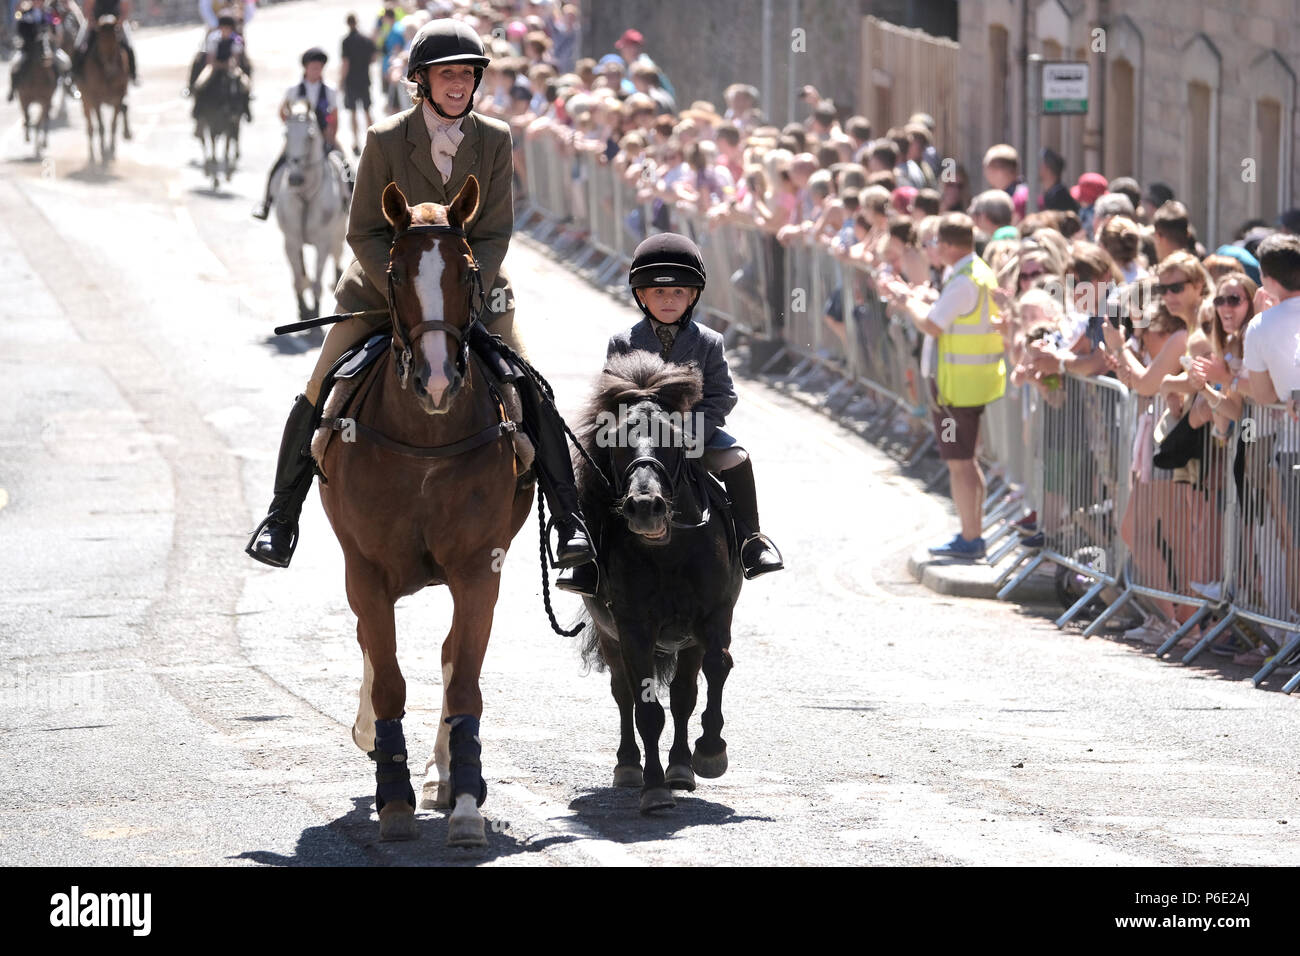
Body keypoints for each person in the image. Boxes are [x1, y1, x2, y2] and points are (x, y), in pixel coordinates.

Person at [245, 18, 596, 577]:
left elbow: (496, 232)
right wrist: (407, 295)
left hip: (474, 292)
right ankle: (281, 516)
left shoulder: (496, 138)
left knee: (529, 383)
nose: (458, 83)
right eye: (446, 73)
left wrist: (458, 294)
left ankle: (569, 521)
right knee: (318, 385)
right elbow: (363, 231)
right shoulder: (385, 139)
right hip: (382, 292)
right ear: (421, 79)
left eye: (467, 74)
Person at [556, 234, 784, 595]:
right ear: (642, 296)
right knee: (592, 467)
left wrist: (689, 430)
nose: (668, 300)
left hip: (693, 433)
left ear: (693, 296)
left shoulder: (709, 341)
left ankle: (751, 541)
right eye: (659, 293)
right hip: (635, 437)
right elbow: (609, 396)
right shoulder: (623, 341)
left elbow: (722, 395)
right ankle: (588, 560)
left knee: (738, 459)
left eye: (678, 292)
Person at [883, 213, 1006, 559]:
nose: (932, 248)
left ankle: (970, 538)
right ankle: (972, 533)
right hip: (965, 383)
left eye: (936, 242)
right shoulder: (973, 273)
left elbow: (934, 325)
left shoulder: (965, 280)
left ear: (950, 245)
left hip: (955, 387)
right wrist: (914, 296)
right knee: (966, 461)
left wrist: (906, 302)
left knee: (959, 463)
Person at [251, 47, 353, 221]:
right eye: (312, 67)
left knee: (346, 167)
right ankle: (266, 203)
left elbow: (334, 117)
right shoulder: (293, 90)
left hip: (323, 134)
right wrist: (294, 132)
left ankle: (349, 202)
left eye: (319, 67)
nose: (316, 70)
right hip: (298, 139)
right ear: (305, 68)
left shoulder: (330, 91)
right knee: (276, 167)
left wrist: (330, 136)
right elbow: (283, 112)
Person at [190, 13, 249, 132]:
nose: (225, 30)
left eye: (228, 27)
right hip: (214, 67)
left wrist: (229, 65)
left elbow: (235, 60)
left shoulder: (236, 39)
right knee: (199, 84)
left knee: (246, 85)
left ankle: (246, 109)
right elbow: (210, 60)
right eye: (223, 27)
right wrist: (221, 64)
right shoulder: (213, 38)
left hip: (231, 68)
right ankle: (197, 111)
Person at [7, 0, 69, 102]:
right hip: (29, 49)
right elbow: (20, 29)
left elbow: (56, 27)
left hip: (49, 48)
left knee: (65, 62)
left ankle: (67, 84)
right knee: (15, 64)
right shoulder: (25, 13)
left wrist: (52, 36)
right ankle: (13, 89)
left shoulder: (50, 13)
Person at [71, 0, 136, 86]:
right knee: (79, 45)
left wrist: (119, 23)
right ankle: (75, 74)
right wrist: (93, 24)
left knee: (129, 45)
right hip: (95, 23)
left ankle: (133, 73)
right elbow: (87, 9)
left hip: (116, 24)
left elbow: (125, 8)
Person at [340, 12, 374, 155]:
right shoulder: (366, 39)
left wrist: (341, 79)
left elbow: (345, 63)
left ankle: (356, 141)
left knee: (353, 112)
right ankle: (373, 139)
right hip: (364, 78)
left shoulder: (346, 41)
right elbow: (373, 57)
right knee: (367, 110)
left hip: (352, 80)